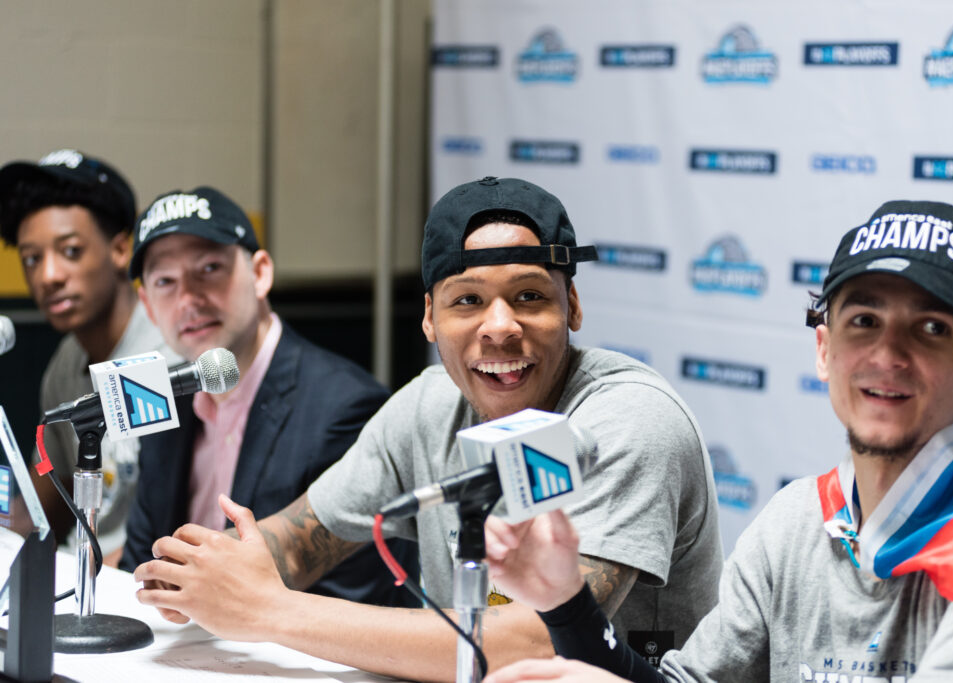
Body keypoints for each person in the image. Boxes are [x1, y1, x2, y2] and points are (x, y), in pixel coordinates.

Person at [132, 176, 723, 681]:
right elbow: (296, 540)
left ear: (572, 305)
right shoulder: (427, 405)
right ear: (429, 320)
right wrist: (204, 575)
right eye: (466, 301)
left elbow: (538, 641)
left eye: (528, 296)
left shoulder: (629, 419)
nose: (500, 327)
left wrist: (268, 610)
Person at [482, 199, 953, 682]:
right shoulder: (796, 522)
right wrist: (567, 604)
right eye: (863, 320)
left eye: (932, 328)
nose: (887, 355)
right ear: (824, 351)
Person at [119, 186, 417, 607]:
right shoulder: (165, 398)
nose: (188, 298)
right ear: (148, 306)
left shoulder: (344, 407)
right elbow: (140, 562)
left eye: (208, 268)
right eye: (165, 281)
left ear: (260, 273)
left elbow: (356, 598)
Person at [0, 148, 179, 566]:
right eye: (32, 258)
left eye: (71, 250)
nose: (49, 275)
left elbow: (177, 524)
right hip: (82, 578)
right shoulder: (65, 364)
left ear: (120, 250)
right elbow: (43, 506)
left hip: (140, 586)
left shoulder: (167, 355)